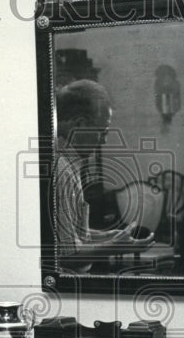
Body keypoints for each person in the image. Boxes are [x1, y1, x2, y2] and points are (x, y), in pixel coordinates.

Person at [53, 79, 149, 273]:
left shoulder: (67, 162)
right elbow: (67, 256)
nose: (104, 140)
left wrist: (106, 237)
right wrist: (114, 246)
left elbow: (69, 237)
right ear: (80, 125)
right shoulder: (63, 170)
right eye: (102, 131)